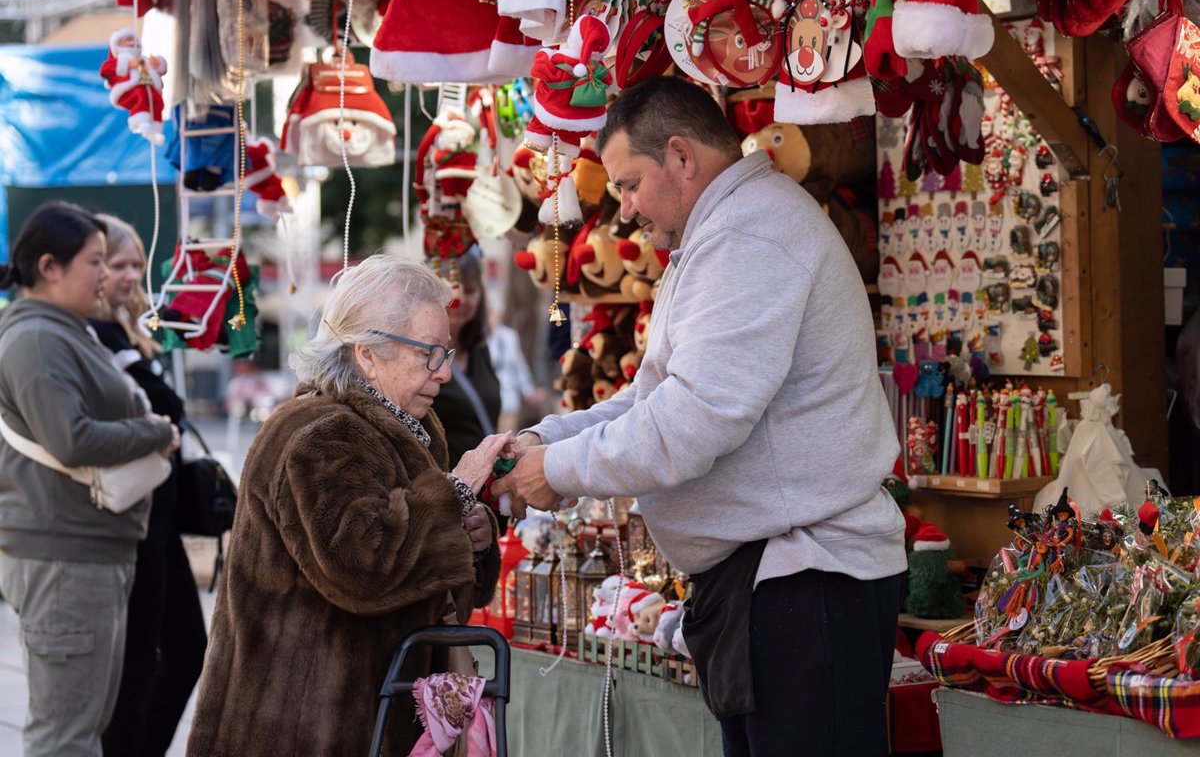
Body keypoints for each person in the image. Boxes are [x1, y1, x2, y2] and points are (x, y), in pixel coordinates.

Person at [494, 76, 907, 757]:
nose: (623, 211)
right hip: (777, 580)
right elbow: (658, 398)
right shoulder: (723, 232)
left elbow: (693, 420)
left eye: (628, 184)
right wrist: (543, 439)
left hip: (807, 584)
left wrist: (559, 471)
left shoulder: (751, 234)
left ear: (682, 157)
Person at [186, 255, 510, 757]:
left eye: (445, 352)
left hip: (374, 720)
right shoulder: (316, 434)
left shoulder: (413, 428)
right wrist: (456, 492)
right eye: (429, 353)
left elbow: (432, 590)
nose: (444, 372)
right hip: (297, 728)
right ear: (366, 355)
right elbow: (361, 569)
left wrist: (472, 534)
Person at [0, 201, 179, 757]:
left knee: (83, 724)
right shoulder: (36, 338)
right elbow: (71, 438)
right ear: (50, 267)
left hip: (87, 550)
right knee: (65, 734)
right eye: (95, 261)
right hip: (64, 556)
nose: (106, 275)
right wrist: (152, 432)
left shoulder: (62, 330)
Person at [91, 216, 206, 757]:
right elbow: (164, 408)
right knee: (141, 662)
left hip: (157, 512)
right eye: (116, 264)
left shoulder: (128, 331)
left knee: (183, 650)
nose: (130, 276)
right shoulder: (96, 336)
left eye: (136, 264)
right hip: (129, 517)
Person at [431, 249, 502, 466]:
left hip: (486, 486)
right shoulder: (421, 358)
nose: (459, 299)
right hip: (447, 486)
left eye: (470, 290)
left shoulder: (480, 351)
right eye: (451, 288)